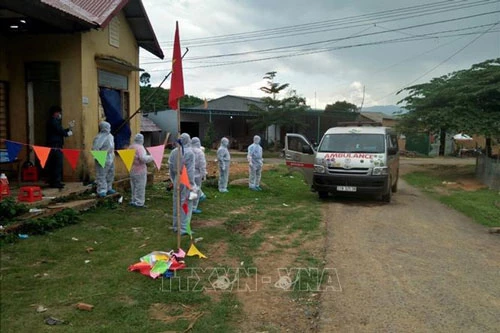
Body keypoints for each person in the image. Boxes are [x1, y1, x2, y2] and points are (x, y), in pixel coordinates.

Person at [168, 133, 196, 235]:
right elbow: (190, 170)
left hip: (177, 178)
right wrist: (192, 184)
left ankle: (176, 225)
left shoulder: (174, 152)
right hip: (185, 179)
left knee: (176, 202)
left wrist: (173, 178)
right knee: (186, 203)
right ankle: (184, 228)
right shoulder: (190, 153)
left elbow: (170, 166)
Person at [46, 105, 75, 188]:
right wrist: (67, 132)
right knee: (57, 164)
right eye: (59, 113)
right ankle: (55, 182)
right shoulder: (53, 122)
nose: (60, 114)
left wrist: (69, 129)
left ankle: (54, 181)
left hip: (55, 145)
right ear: (55, 113)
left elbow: (60, 131)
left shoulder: (54, 121)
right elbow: (60, 131)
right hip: (55, 146)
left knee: (54, 164)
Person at [129, 134, 153, 208]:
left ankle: (134, 200)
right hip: (140, 170)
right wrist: (152, 156)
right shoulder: (140, 147)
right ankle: (139, 202)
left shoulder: (131, 146)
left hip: (132, 169)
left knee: (134, 186)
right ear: (142, 139)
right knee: (140, 187)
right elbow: (143, 159)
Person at [92, 121, 116, 197]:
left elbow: (112, 147)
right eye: (107, 127)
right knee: (101, 174)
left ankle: (109, 188)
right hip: (102, 157)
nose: (109, 129)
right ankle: (101, 190)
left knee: (110, 174)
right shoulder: (99, 137)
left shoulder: (111, 136)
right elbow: (95, 148)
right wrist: (99, 157)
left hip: (110, 157)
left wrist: (112, 155)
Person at [191, 137, 207, 214]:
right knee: (197, 189)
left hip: (189, 172)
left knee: (191, 189)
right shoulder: (200, 152)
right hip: (197, 173)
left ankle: (189, 205)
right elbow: (202, 164)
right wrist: (204, 174)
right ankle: (194, 207)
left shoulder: (188, 151)